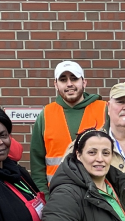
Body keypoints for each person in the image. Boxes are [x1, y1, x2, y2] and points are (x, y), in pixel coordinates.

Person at [29, 61, 107, 193]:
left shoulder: (105, 109)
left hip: (100, 193)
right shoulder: (46, 114)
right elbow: (37, 165)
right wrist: (46, 196)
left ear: (84, 82)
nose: (69, 84)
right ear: (55, 84)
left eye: (74, 78)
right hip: (59, 194)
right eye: (63, 79)